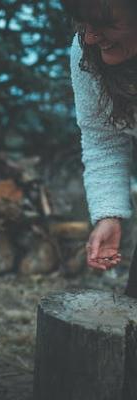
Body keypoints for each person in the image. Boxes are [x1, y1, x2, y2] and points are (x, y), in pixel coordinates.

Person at [62, 0, 137, 294]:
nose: (92, 37)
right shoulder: (85, 54)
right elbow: (102, 140)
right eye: (85, 24)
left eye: (107, 24)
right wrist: (109, 213)